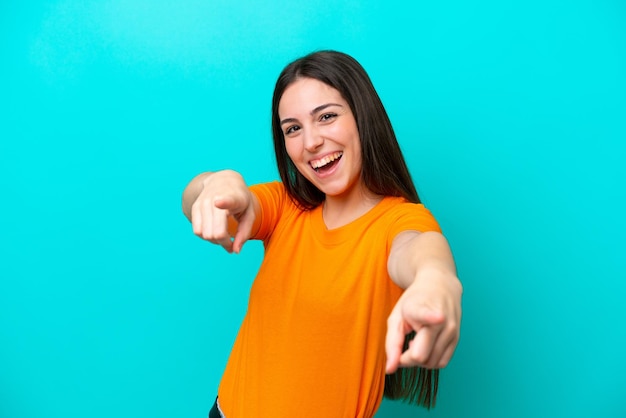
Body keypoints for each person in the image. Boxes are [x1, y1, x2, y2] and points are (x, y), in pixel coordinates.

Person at [182, 50, 462, 418]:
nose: (310, 141)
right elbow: (195, 201)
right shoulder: (286, 206)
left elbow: (421, 248)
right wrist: (215, 183)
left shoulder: (397, 222)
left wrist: (436, 281)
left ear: (363, 117)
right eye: (293, 129)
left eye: (326, 116)